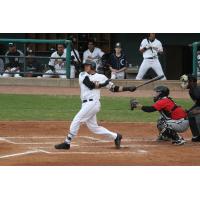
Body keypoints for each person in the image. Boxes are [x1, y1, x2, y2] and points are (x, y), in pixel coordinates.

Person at [55, 60, 136, 150]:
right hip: (85, 104)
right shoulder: (82, 74)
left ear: (93, 66)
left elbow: (114, 88)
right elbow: (90, 85)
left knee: (77, 119)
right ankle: (116, 136)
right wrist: (104, 83)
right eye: (85, 65)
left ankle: (67, 142)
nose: (85, 67)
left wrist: (128, 88)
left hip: (93, 103)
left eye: (87, 65)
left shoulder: (101, 77)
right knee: (94, 128)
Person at [180, 74, 200, 142]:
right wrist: (190, 110)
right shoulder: (191, 91)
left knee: (197, 115)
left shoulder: (197, 90)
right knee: (190, 114)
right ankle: (197, 135)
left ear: (192, 82)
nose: (185, 83)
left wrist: (198, 111)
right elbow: (198, 104)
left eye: (187, 81)